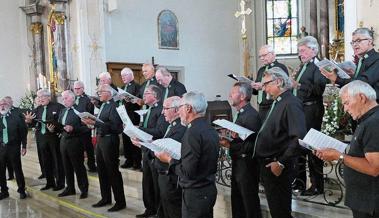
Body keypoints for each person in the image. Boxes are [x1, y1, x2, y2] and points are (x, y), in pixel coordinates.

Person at [315, 80, 379, 218]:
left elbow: (374, 168)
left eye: (346, 103)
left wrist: (339, 156)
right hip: (364, 201)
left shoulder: (374, 123)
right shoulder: (367, 120)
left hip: (370, 204)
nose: (345, 109)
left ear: (361, 98)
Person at [156, 91, 220, 218]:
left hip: (195, 193)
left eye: (179, 108)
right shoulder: (210, 128)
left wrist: (169, 159)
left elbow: (187, 172)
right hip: (208, 188)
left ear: (188, 108)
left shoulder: (192, 132)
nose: (178, 112)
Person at [254, 67, 306, 218]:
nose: (264, 89)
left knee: (280, 211)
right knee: (276, 209)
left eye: (266, 84)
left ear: (279, 81)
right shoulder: (278, 102)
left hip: (278, 165)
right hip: (269, 163)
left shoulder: (291, 103)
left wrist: (281, 162)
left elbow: (298, 137)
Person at [220, 82, 262, 218]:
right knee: (238, 201)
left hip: (247, 166)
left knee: (248, 203)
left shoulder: (251, 116)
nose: (229, 95)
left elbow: (251, 145)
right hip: (239, 164)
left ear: (242, 96)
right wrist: (228, 141)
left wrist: (230, 144)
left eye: (233, 93)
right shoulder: (241, 114)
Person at [82, 84, 126, 212]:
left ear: (109, 93)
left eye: (101, 91)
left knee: (112, 171)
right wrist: (92, 123)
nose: (98, 93)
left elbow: (116, 127)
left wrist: (94, 123)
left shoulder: (114, 106)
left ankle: (120, 201)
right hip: (101, 139)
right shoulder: (104, 105)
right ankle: (105, 198)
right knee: (101, 170)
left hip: (110, 140)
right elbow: (102, 123)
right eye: (98, 91)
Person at [293, 36, 327, 195]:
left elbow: (319, 89)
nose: (300, 54)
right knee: (299, 145)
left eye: (303, 51)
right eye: (299, 51)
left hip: (312, 110)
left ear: (313, 50)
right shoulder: (303, 66)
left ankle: (317, 185)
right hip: (300, 110)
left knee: (312, 147)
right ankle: (299, 182)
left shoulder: (318, 66)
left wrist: (298, 85)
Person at [132, 84, 169, 218]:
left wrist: (139, 130)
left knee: (155, 184)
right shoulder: (147, 110)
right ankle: (149, 209)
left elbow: (159, 131)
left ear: (155, 96)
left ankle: (158, 212)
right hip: (146, 150)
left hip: (156, 152)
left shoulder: (161, 110)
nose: (143, 95)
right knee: (146, 183)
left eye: (147, 93)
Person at [321, 27, 379, 103]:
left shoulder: (377, 59)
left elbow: (363, 84)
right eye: (353, 42)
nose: (355, 44)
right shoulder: (362, 59)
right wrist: (353, 76)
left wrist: (336, 79)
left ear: (370, 41)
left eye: (358, 40)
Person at [24, 89, 65, 191]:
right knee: (45, 161)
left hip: (53, 137)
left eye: (42, 96)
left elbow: (63, 122)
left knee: (57, 160)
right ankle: (49, 182)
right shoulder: (38, 109)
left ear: (48, 97)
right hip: (41, 138)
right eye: (38, 97)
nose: (40, 99)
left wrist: (54, 129)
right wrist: (29, 121)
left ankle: (60, 183)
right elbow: (33, 123)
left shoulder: (58, 107)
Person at [154, 96, 186, 218]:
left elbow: (170, 151)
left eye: (166, 108)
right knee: (166, 209)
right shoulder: (172, 125)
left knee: (173, 211)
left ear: (176, 110)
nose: (162, 112)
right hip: (164, 173)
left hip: (171, 176)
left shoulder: (180, 128)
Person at [57, 90, 89, 199]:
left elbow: (87, 128)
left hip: (75, 142)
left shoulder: (80, 110)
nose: (63, 100)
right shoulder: (63, 111)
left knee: (78, 167)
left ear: (72, 98)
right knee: (66, 167)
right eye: (63, 98)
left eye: (65, 98)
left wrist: (73, 128)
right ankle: (70, 188)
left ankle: (84, 189)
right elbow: (60, 125)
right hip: (64, 142)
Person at [251, 45, 288, 120]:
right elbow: (256, 92)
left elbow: (284, 87)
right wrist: (253, 86)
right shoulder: (261, 70)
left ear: (272, 54)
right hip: (261, 107)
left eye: (264, 55)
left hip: (274, 105)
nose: (262, 58)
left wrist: (263, 86)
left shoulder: (280, 67)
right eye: (260, 56)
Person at [0, 99, 28, 200]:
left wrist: (24, 146)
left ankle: (21, 190)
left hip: (13, 146)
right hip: (1, 148)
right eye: (1, 105)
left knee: (17, 169)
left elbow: (23, 132)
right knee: (1, 170)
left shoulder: (16, 117)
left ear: (9, 105)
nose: (2, 106)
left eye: (4, 104)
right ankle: (4, 191)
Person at [118, 68, 142, 170]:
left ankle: (137, 162)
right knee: (126, 140)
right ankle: (129, 160)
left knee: (134, 140)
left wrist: (132, 99)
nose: (123, 77)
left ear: (131, 75)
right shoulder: (123, 87)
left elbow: (140, 102)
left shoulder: (137, 86)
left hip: (134, 116)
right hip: (125, 116)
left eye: (125, 75)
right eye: (122, 76)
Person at [73, 81, 97, 172]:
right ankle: (79, 166)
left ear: (83, 88)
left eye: (78, 88)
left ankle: (91, 165)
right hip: (75, 127)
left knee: (88, 147)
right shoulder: (73, 99)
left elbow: (90, 113)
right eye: (75, 88)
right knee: (77, 148)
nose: (77, 90)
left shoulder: (88, 100)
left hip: (85, 127)